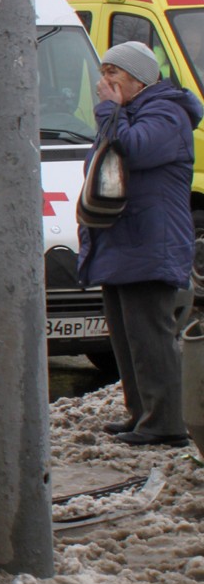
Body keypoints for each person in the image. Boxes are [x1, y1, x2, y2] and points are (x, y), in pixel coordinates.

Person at [77, 40, 204, 446]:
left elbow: (128, 150)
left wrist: (108, 112)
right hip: (123, 241)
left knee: (150, 337)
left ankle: (164, 423)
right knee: (126, 336)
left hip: (151, 242)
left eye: (114, 73)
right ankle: (141, 414)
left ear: (139, 78)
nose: (104, 82)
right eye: (104, 73)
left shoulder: (168, 114)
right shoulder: (129, 113)